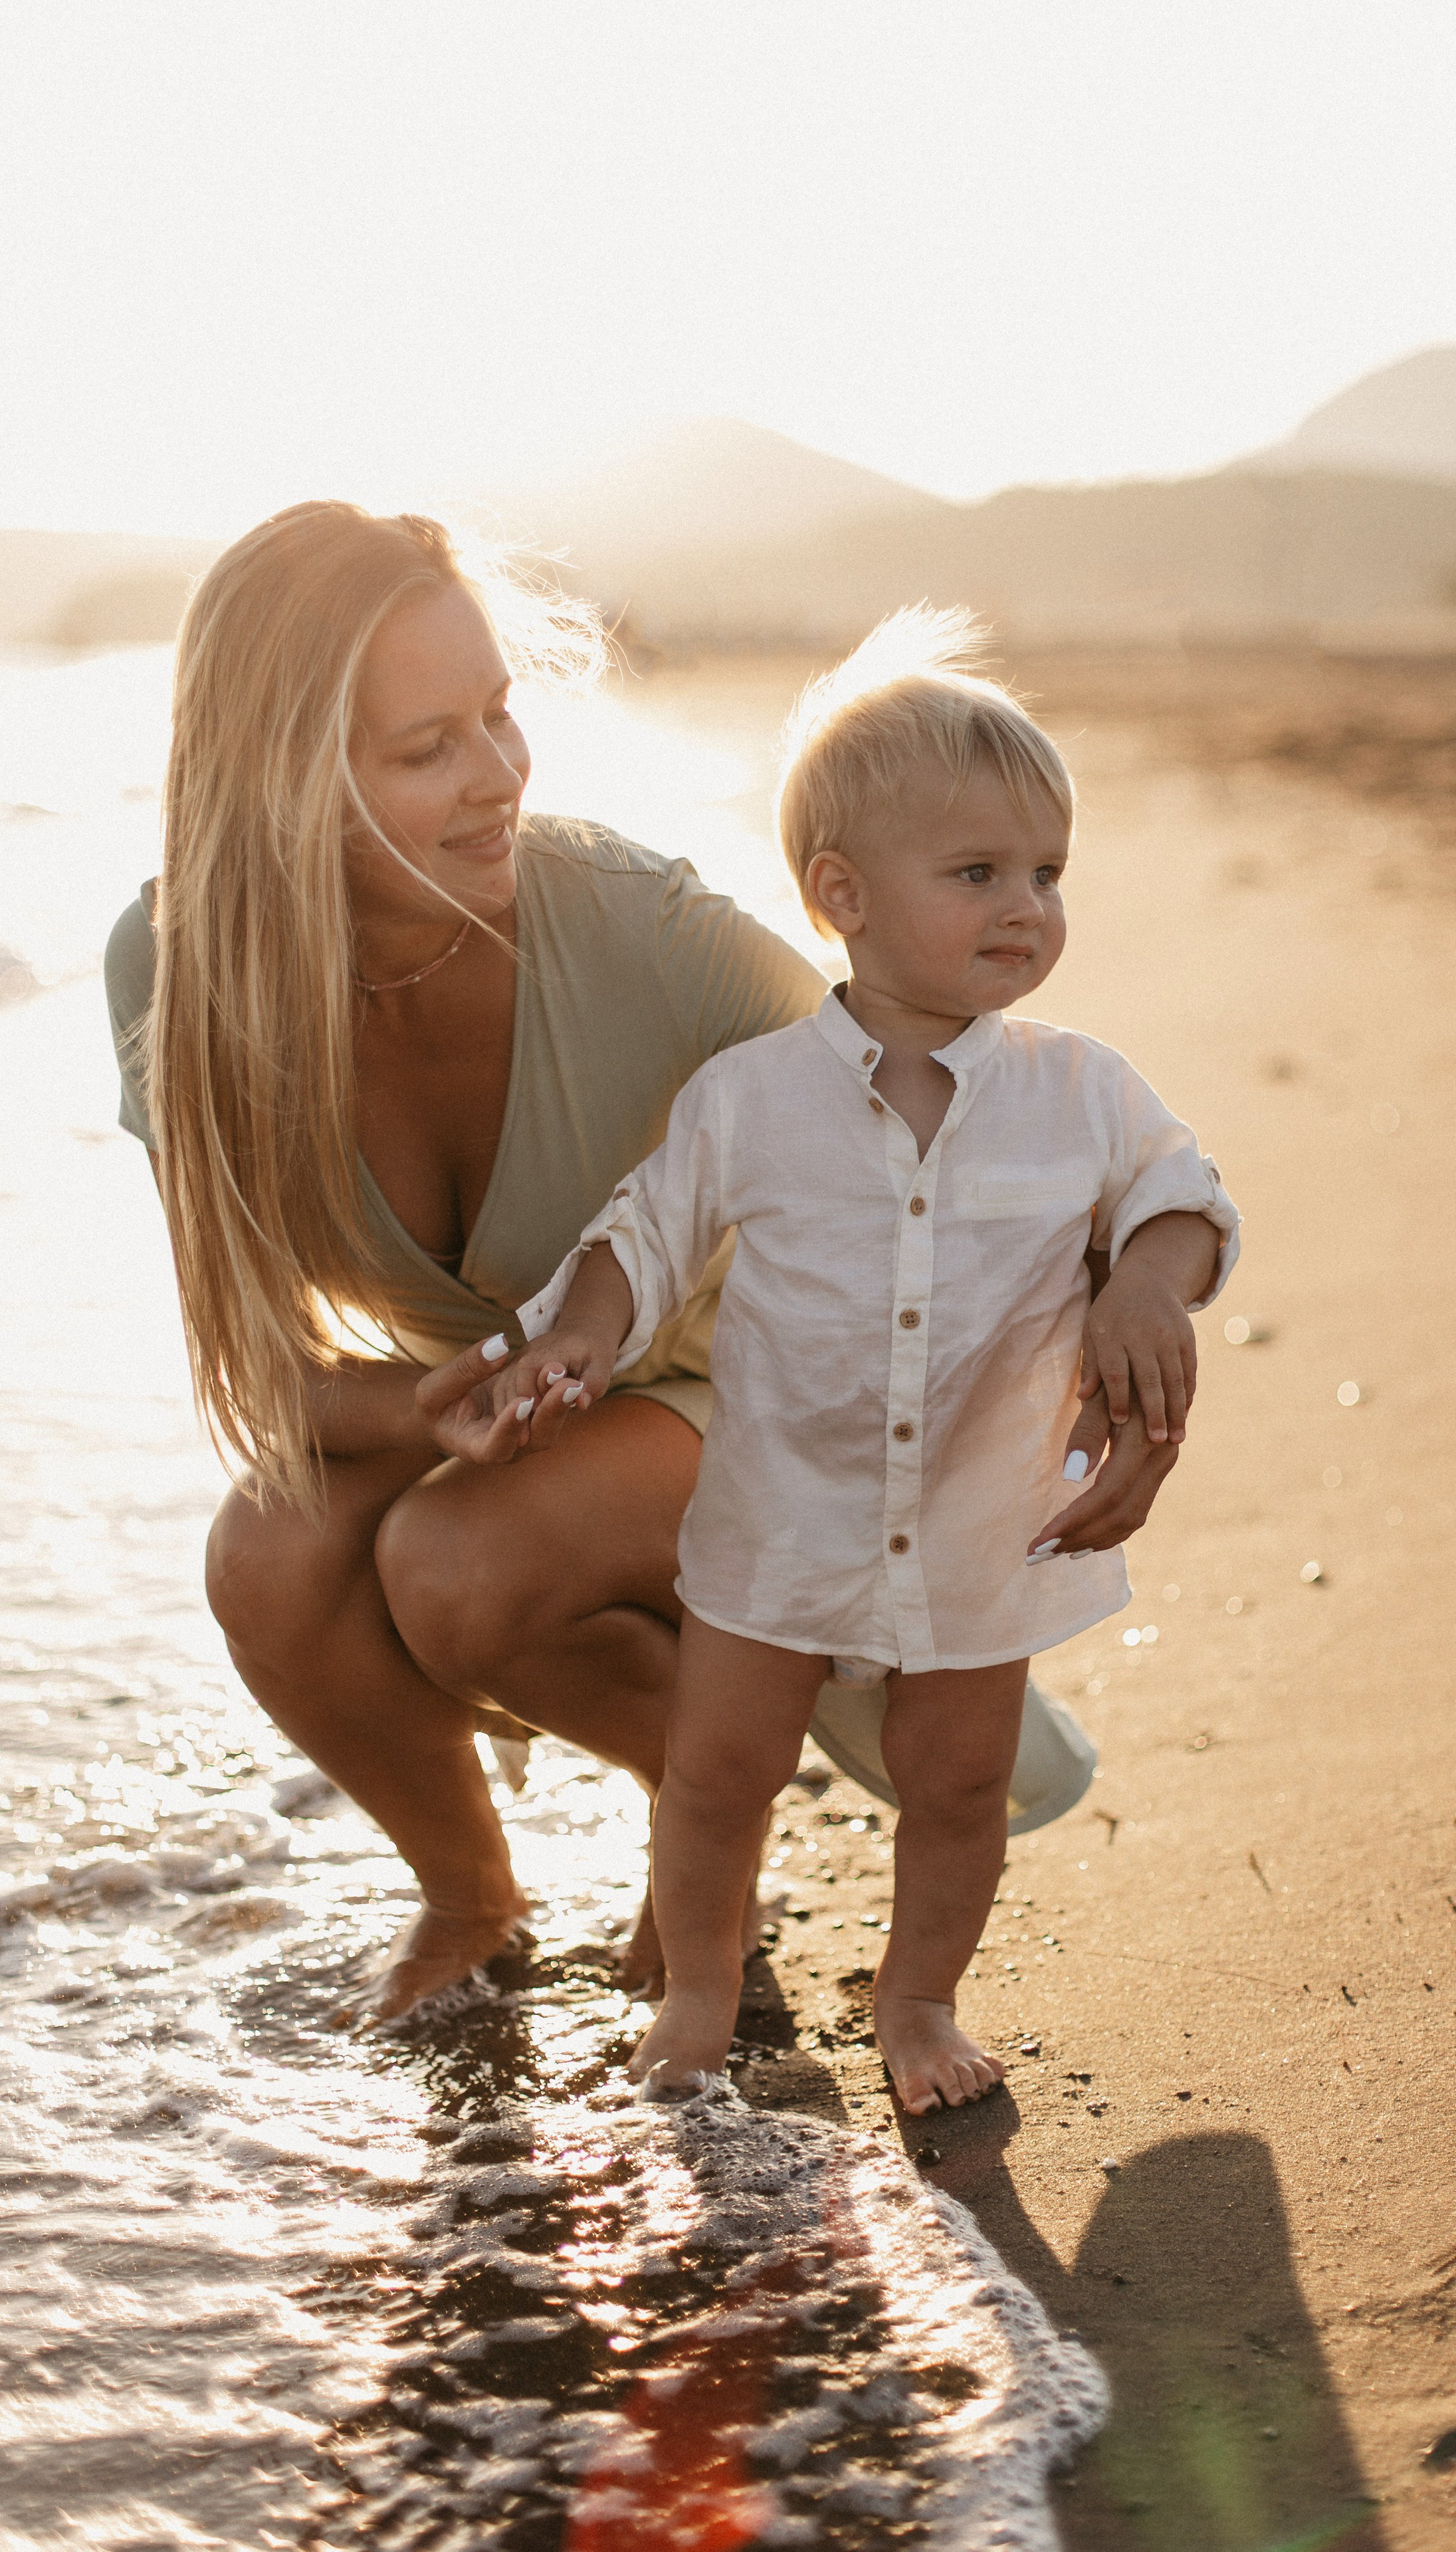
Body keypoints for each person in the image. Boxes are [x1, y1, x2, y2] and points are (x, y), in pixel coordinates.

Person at [103, 514, 1194, 2028]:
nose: (498, 773)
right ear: (281, 776)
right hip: (541, 1406)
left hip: (759, 1396)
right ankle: (470, 1898)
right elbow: (265, 1374)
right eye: (428, 747)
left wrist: (1130, 1299)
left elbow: (956, 1090)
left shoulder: (631, 926)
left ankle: (711, 1812)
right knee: (268, 1560)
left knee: (456, 1563)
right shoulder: (177, 967)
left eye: (499, 714)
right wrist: (431, 1407)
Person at [478, 613, 1240, 2113]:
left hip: (976, 1518)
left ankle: (918, 2002)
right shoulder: (752, 1098)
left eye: (1047, 873)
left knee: (957, 1783)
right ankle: (700, 1994)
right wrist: (575, 1335)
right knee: (718, 1772)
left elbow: (1182, 1194)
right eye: (977, 873)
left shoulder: (1081, 1089)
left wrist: (1151, 1286)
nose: (1026, 907)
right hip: (780, 1511)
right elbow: (646, 1232)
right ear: (842, 895)